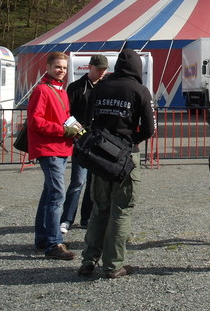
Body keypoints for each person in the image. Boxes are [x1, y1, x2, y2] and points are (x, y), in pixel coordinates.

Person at [79, 49, 155, 279]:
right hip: (126, 157)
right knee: (121, 210)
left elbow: (88, 121)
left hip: (100, 156)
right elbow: (149, 129)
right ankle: (113, 265)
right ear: (137, 67)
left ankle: (88, 260)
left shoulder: (100, 87)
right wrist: (130, 142)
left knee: (99, 208)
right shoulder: (140, 91)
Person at [28, 51, 79, 260]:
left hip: (60, 147)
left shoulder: (61, 91)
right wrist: (63, 130)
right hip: (49, 148)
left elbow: (64, 117)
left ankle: (43, 238)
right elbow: (35, 121)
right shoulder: (42, 90)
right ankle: (53, 243)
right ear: (48, 67)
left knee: (49, 193)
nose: (61, 71)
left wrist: (75, 128)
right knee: (57, 195)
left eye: (64, 68)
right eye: (58, 67)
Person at [60, 54, 109, 234]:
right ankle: (66, 219)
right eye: (99, 69)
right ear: (90, 67)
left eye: (104, 69)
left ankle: (86, 218)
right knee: (78, 181)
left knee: (92, 182)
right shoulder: (76, 87)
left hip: (98, 141)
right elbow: (67, 114)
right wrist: (79, 134)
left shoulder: (106, 87)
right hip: (81, 141)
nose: (102, 72)